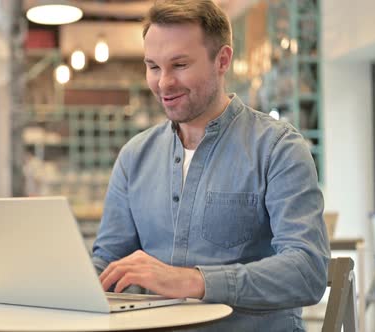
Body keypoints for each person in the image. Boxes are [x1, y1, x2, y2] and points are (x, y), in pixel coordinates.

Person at [91, 0, 330, 330]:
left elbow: (307, 272)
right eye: (154, 67)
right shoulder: (135, 157)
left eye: (180, 65)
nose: (163, 83)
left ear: (222, 60)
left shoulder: (278, 148)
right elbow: (108, 263)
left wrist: (193, 281)